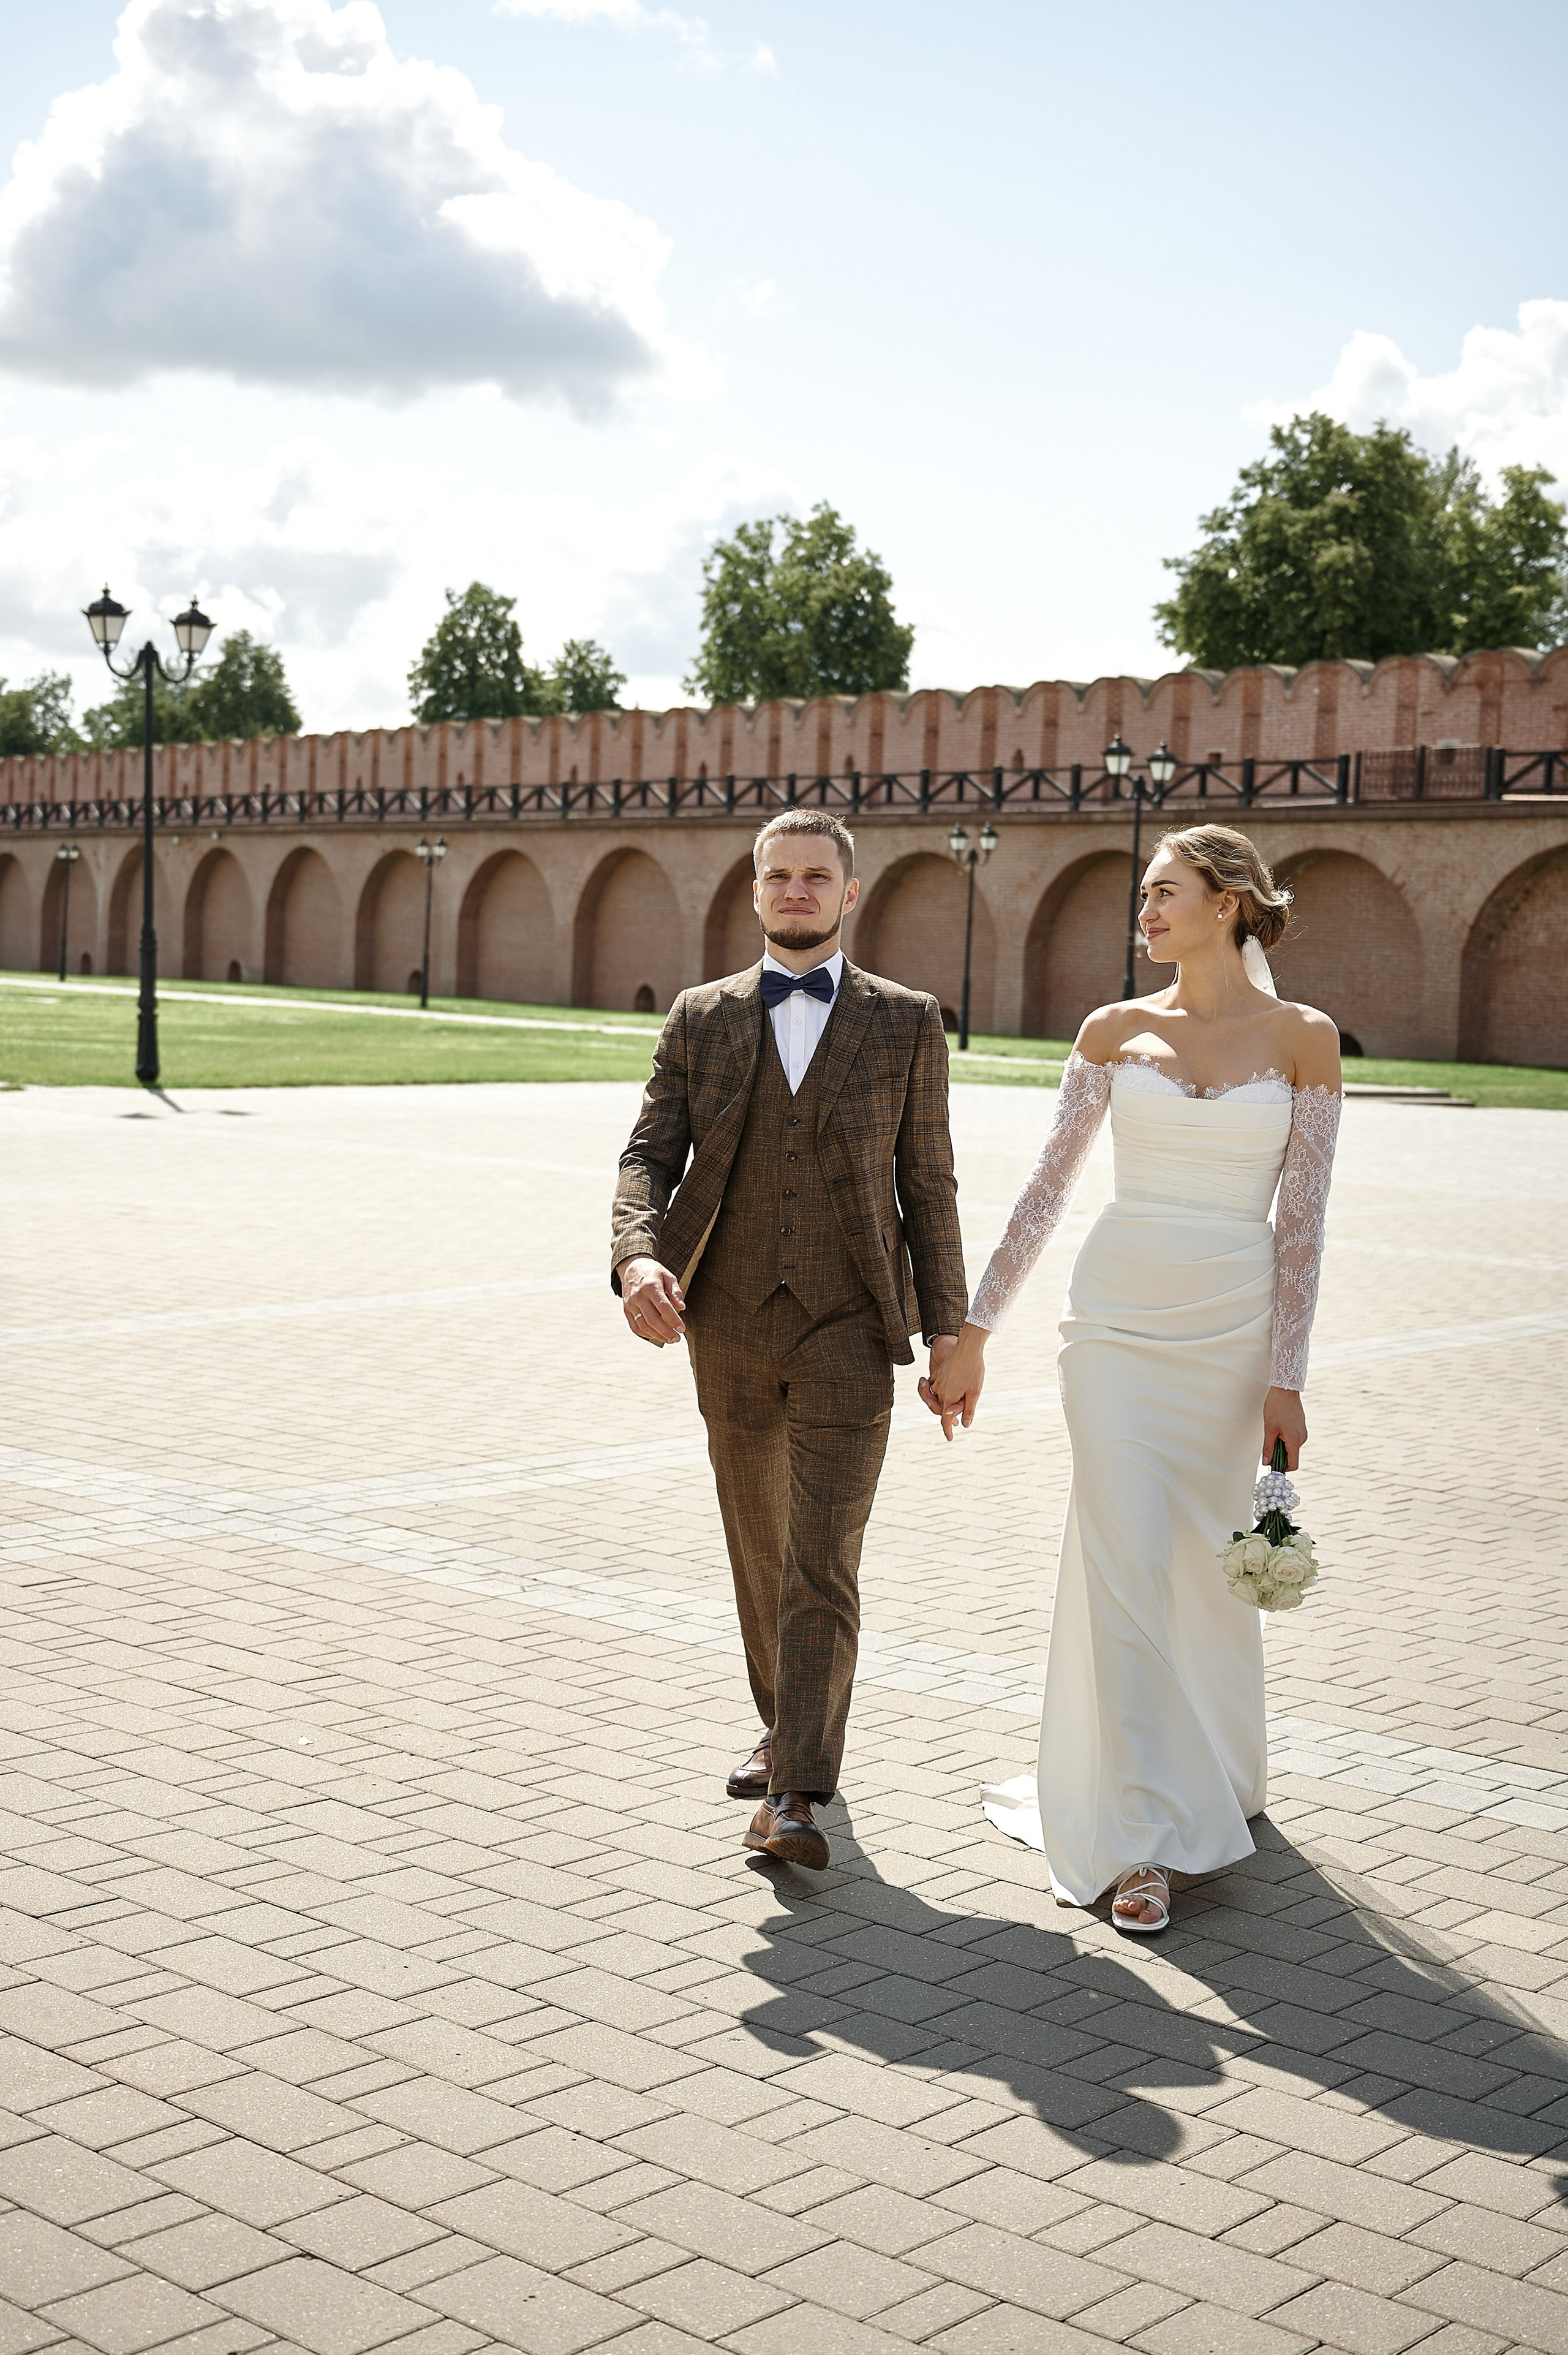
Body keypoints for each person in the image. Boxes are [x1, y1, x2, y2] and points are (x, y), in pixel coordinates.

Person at [932, 823, 1341, 1934]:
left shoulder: (1305, 1039)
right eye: (1145, 895)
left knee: (1198, 1566)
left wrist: (1288, 1379)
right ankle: (1144, 1839)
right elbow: (1046, 1190)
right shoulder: (1112, 1032)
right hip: (1112, 1328)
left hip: (1231, 1336)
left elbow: (1304, 1227)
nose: (1146, 912)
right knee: (1122, 1555)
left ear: (1228, 902)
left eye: (1166, 893)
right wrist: (975, 1331)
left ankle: (1214, 1767)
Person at [611, 809, 969, 1870]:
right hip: (724, 1324)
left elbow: (929, 1185)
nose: (797, 891)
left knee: (823, 1557)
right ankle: (784, 1727)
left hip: (851, 1326)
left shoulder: (907, 1022)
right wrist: (637, 1258)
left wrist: (949, 1332)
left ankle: (799, 1792)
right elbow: (647, 1156)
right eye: (780, 876)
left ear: (849, 894)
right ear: (756, 889)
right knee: (760, 1548)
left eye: (818, 876)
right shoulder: (701, 1017)